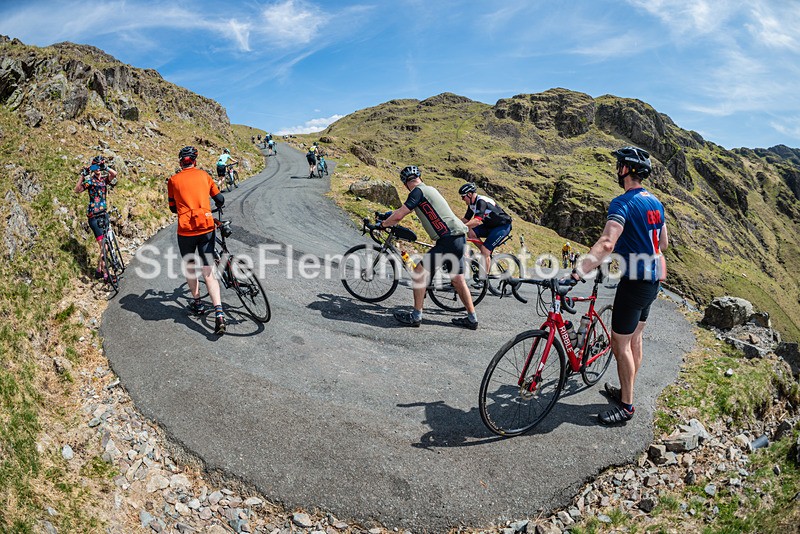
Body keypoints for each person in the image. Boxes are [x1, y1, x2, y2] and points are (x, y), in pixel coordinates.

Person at [571, 146, 668, 425]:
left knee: (619, 343)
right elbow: (662, 244)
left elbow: (606, 243)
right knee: (635, 338)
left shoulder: (622, 203)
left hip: (634, 281)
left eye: (619, 166)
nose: (617, 170)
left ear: (627, 169)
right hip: (652, 282)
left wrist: (578, 272)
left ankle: (626, 407)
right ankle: (629, 392)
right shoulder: (656, 203)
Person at [379, 166, 478, 329]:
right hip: (459, 237)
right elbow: (400, 211)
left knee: (418, 273)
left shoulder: (417, 192)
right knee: (458, 280)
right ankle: (472, 319)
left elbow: (400, 215)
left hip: (447, 239)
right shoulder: (429, 189)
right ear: (419, 177)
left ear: (405, 183)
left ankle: (416, 316)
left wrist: (383, 224)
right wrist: (388, 215)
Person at [168, 146, 227, 335]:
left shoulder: (173, 180)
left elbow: (172, 208)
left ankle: (198, 303)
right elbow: (220, 198)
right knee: (208, 271)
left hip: (185, 231)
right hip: (206, 227)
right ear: (195, 160)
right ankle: (219, 312)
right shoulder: (204, 176)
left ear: (180, 162)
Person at [74, 156, 118, 280]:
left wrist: (106, 167)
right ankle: (106, 275)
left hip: (104, 214)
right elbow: (77, 190)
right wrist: (83, 175)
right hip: (94, 216)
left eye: (99, 166)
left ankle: (99, 270)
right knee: (104, 246)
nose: (98, 169)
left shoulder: (104, 180)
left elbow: (114, 174)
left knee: (106, 243)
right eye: (95, 166)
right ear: (93, 168)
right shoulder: (90, 181)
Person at [458, 182, 512, 277]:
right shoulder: (472, 204)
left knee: (485, 250)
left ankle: (484, 277)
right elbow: (466, 219)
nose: (462, 199)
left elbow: (477, 221)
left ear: (469, 194)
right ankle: (485, 254)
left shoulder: (481, 201)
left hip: (502, 226)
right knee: (470, 232)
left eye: (463, 197)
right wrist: (453, 224)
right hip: (490, 226)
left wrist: (462, 226)